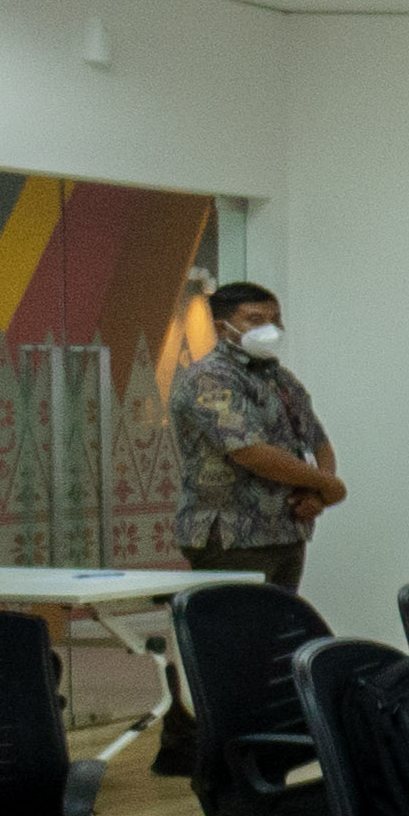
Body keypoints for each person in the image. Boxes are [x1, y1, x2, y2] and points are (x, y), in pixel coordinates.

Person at [158, 282, 343, 776]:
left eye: (274, 318)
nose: (270, 329)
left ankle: (248, 743)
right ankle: (202, 748)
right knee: (227, 648)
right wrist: (327, 486)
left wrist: (320, 490)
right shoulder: (208, 379)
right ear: (223, 325)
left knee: (269, 645)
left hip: (284, 529)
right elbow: (250, 452)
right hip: (229, 534)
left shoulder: (279, 377)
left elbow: (318, 440)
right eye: (255, 319)